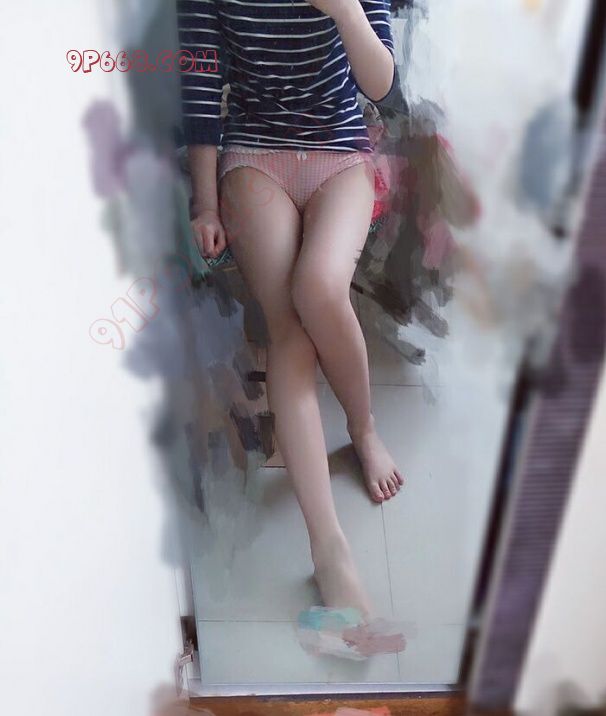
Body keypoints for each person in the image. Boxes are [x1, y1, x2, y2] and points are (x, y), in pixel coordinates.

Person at [177, 0, 404, 619]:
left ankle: (363, 428)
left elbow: (381, 86)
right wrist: (204, 204)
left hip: (340, 155)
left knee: (320, 289)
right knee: (290, 332)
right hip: (254, 157)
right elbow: (200, 82)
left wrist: (345, 11)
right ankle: (329, 549)